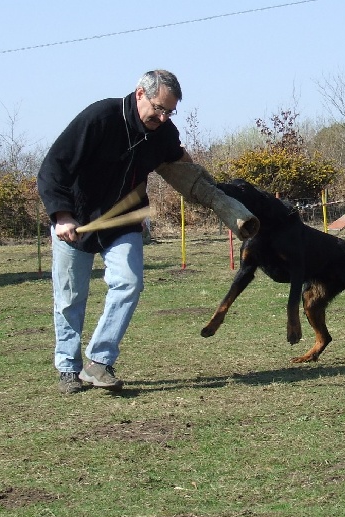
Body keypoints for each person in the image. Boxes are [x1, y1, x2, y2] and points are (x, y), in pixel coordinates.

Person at [38, 70, 258, 394]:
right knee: (69, 298)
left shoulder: (162, 132)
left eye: (170, 111)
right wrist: (62, 215)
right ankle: (67, 369)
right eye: (159, 108)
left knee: (129, 282)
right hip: (76, 219)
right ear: (140, 93)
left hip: (123, 220)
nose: (163, 116)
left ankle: (98, 361)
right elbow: (53, 166)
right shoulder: (100, 118)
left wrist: (210, 190)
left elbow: (179, 161)